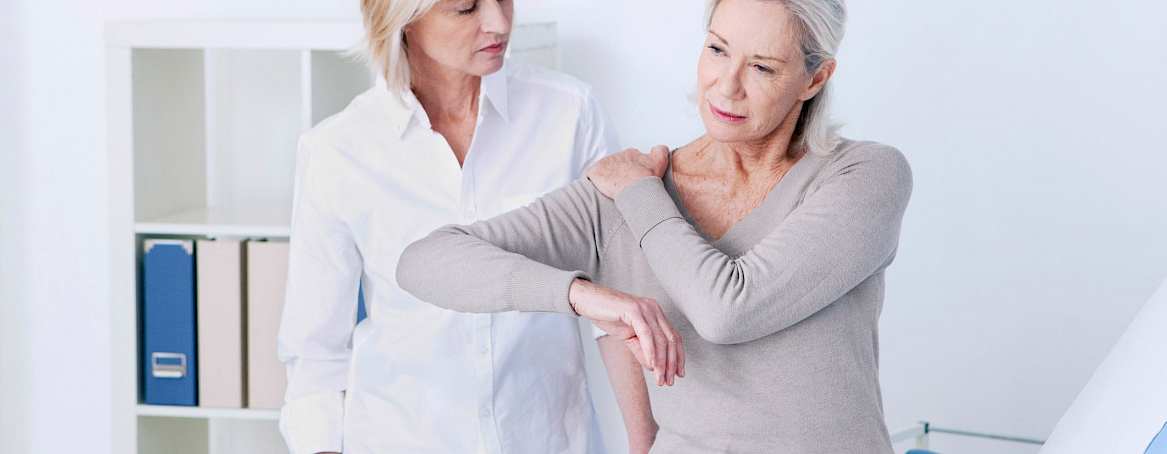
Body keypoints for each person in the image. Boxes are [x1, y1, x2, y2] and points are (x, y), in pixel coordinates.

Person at [396, 0, 913, 451]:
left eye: (762, 66)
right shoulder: (617, 194)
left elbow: (727, 310)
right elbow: (424, 261)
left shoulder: (863, 176)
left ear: (815, 79)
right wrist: (585, 296)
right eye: (717, 49)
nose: (726, 86)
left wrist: (641, 194)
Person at [276, 0, 656, 452]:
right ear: (403, 18)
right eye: (466, 8)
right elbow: (315, 354)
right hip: (401, 438)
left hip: (546, 437)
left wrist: (644, 442)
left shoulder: (570, 113)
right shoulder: (337, 151)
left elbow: (618, 299)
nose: (499, 22)